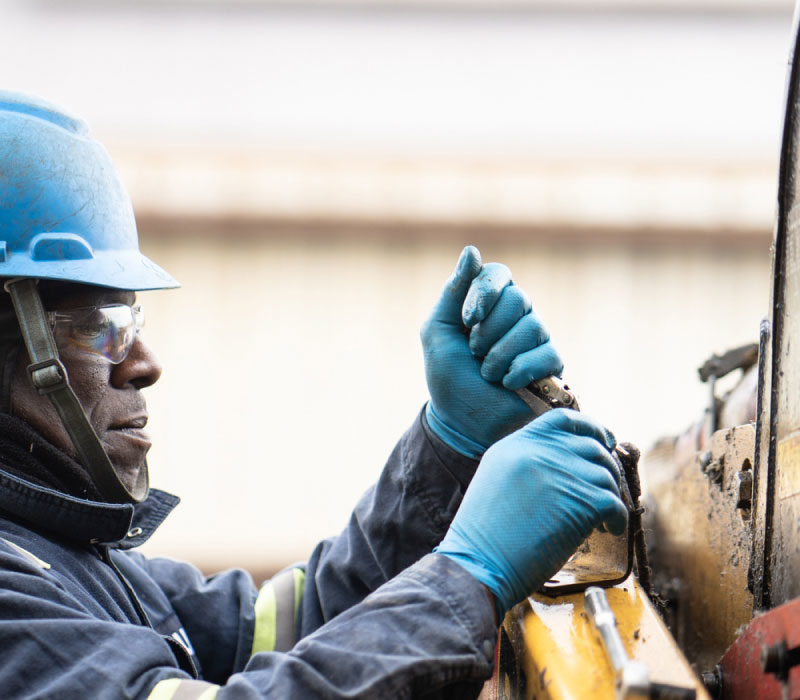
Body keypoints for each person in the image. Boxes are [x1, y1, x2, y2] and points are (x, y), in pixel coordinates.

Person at [0, 91, 627, 699]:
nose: (144, 365)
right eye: (94, 327)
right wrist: (467, 574)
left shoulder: (69, 561)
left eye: (131, 323)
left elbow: (288, 626)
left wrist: (451, 446)